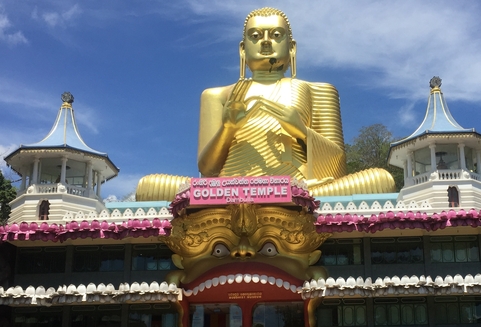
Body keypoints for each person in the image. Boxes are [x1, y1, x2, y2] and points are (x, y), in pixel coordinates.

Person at [135, 7, 395, 201]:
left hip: (301, 189)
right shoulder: (218, 95)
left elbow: (337, 168)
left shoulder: (316, 90)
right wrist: (227, 128)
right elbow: (208, 170)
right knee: (150, 186)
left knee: (380, 180)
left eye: (276, 35)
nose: (266, 42)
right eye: (256, 36)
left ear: (291, 48)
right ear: (242, 49)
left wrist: (301, 131)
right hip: (227, 190)